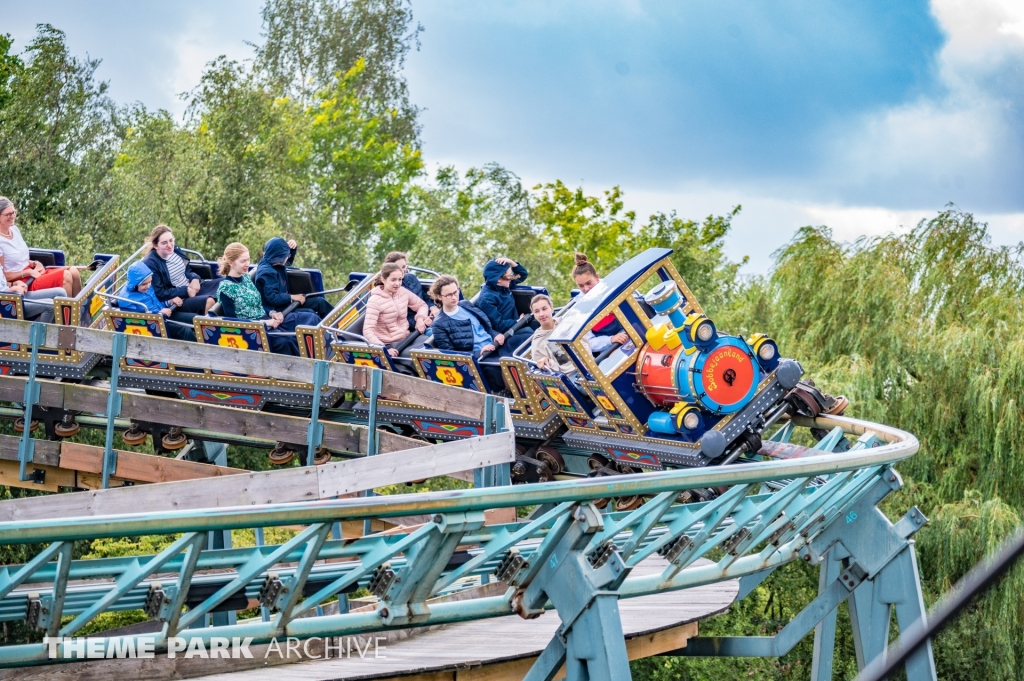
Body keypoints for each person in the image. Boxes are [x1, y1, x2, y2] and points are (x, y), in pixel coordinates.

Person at [216, 243, 320, 356]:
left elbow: (258, 304)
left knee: (310, 318)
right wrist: (265, 323)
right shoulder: (225, 289)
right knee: (287, 341)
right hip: (254, 331)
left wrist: (272, 313)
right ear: (231, 263)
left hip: (267, 319)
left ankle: (324, 353)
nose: (247, 264)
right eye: (243, 261)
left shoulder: (246, 278)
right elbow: (233, 322)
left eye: (248, 260)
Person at [0, 197, 89, 297]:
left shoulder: (14, 229)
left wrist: (35, 263)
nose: (12, 216)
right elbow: (3, 277)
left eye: (13, 212)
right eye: (8, 214)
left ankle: (80, 310)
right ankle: (65, 311)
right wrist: (27, 272)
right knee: (66, 276)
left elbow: (20, 258)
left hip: (31, 272)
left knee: (74, 271)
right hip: (23, 282)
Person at [429, 275, 505, 390]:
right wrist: (479, 352)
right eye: (449, 295)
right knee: (498, 369)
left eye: (456, 292)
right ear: (439, 296)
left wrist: (495, 334)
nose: (454, 297)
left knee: (520, 341)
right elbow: (451, 354)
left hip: (494, 345)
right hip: (480, 357)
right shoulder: (439, 324)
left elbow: (485, 327)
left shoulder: (465, 304)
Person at [142, 225, 219, 320]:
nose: (170, 245)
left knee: (225, 284)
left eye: (171, 240)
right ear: (155, 245)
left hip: (191, 287)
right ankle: (207, 331)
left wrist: (195, 278)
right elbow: (160, 293)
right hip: (179, 299)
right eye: (164, 243)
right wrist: (186, 290)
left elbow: (187, 271)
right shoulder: (151, 263)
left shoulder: (175, 250)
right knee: (209, 301)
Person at [253, 237, 333, 320]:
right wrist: (292, 297)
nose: (288, 257)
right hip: (278, 309)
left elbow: (286, 262)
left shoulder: (273, 261)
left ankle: (337, 320)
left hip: (285, 303)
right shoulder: (267, 273)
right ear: (279, 258)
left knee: (320, 302)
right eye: (287, 255)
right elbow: (272, 298)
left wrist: (292, 249)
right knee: (310, 314)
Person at [115, 261, 196, 342]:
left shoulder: (146, 287)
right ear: (135, 284)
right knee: (185, 331)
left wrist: (169, 301)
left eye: (150, 282)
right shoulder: (125, 299)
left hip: (163, 316)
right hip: (152, 324)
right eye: (144, 284)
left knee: (194, 319)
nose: (148, 286)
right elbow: (135, 320)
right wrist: (158, 313)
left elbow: (156, 303)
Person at [363, 262, 430, 357]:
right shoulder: (374, 301)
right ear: (383, 279)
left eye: (400, 279)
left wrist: (420, 319)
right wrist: (383, 349)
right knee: (420, 356)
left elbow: (422, 305)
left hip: (408, 338)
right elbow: (368, 330)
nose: (397, 283)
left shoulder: (402, 291)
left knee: (430, 345)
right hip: (390, 345)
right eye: (393, 280)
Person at [572, 252, 629, 354]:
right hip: (607, 346)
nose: (586, 289)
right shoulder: (579, 308)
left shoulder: (612, 288)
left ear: (597, 277)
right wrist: (611, 339)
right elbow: (589, 342)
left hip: (628, 330)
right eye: (581, 286)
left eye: (589, 283)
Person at [477, 256, 533, 357]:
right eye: (509, 275)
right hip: (505, 333)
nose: (511, 277)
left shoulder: (504, 284)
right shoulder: (487, 299)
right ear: (498, 279)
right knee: (530, 332)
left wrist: (512, 263)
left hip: (516, 324)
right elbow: (498, 325)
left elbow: (522, 275)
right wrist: (517, 322)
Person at [0, 253, 62, 323]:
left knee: (60, 293)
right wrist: (10, 290)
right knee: (50, 306)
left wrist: (14, 283)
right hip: (7, 303)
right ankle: (36, 332)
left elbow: (2, 283)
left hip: (15, 295)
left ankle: (58, 330)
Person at [383, 251, 437, 325]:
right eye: (399, 268)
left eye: (404, 266)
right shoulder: (391, 289)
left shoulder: (411, 278)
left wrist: (433, 308)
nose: (403, 270)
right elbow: (400, 318)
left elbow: (425, 298)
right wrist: (421, 321)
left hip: (429, 316)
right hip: (415, 325)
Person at [528, 294, 575, 373]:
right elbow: (547, 371)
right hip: (567, 376)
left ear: (552, 309)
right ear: (534, 315)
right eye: (537, 311)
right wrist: (548, 362)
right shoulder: (537, 341)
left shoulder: (566, 324)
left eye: (544, 309)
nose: (541, 314)